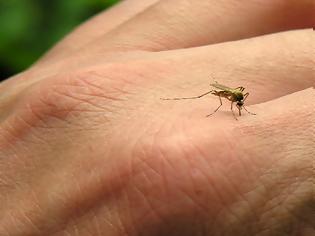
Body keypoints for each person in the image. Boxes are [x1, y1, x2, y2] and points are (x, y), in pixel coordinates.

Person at [0, 0, 314, 235]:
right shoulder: (228, 96)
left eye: (240, 100)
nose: (239, 101)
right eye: (239, 100)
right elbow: (227, 95)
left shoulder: (238, 95)